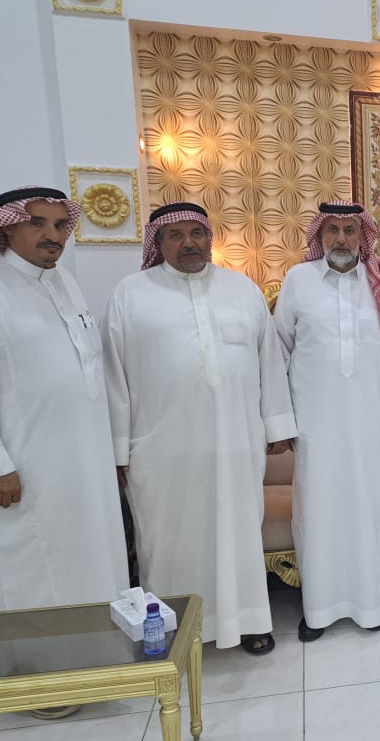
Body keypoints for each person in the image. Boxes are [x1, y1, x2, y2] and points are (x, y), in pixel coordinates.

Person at [102, 202, 296, 655]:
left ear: (210, 238)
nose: (188, 243)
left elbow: (269, 361)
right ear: (159, 242)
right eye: (176, 235)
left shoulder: (242, 289)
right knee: (169, 543)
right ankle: (176, 630)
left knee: (239, 533)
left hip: (236, 441)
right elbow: (113, 379)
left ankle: (249, 621)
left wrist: (276, 427)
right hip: (161, 449)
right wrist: (117, 451)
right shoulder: (130, 295)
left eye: (197, 233)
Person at [0, 187, 128, 616]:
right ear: (7, 227)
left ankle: (98, 652)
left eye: (60, 225)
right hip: (22, 467)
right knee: (30, 574)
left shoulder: (65, 282)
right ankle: (35, 660)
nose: (53, 235)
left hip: (84, 468)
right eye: (37, 223)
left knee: (93, 563)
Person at [274, 201, 380, 639]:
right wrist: (281, 422)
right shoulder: (298, 280)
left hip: (372, 421)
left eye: (349, 230)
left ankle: (373, 605)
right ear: (320, 236)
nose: (341, 239)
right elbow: (278, 351)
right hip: (316, 423)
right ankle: (319, 609)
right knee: (318, 510)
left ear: (362, 236)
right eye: (333, 230)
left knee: (371, 508)